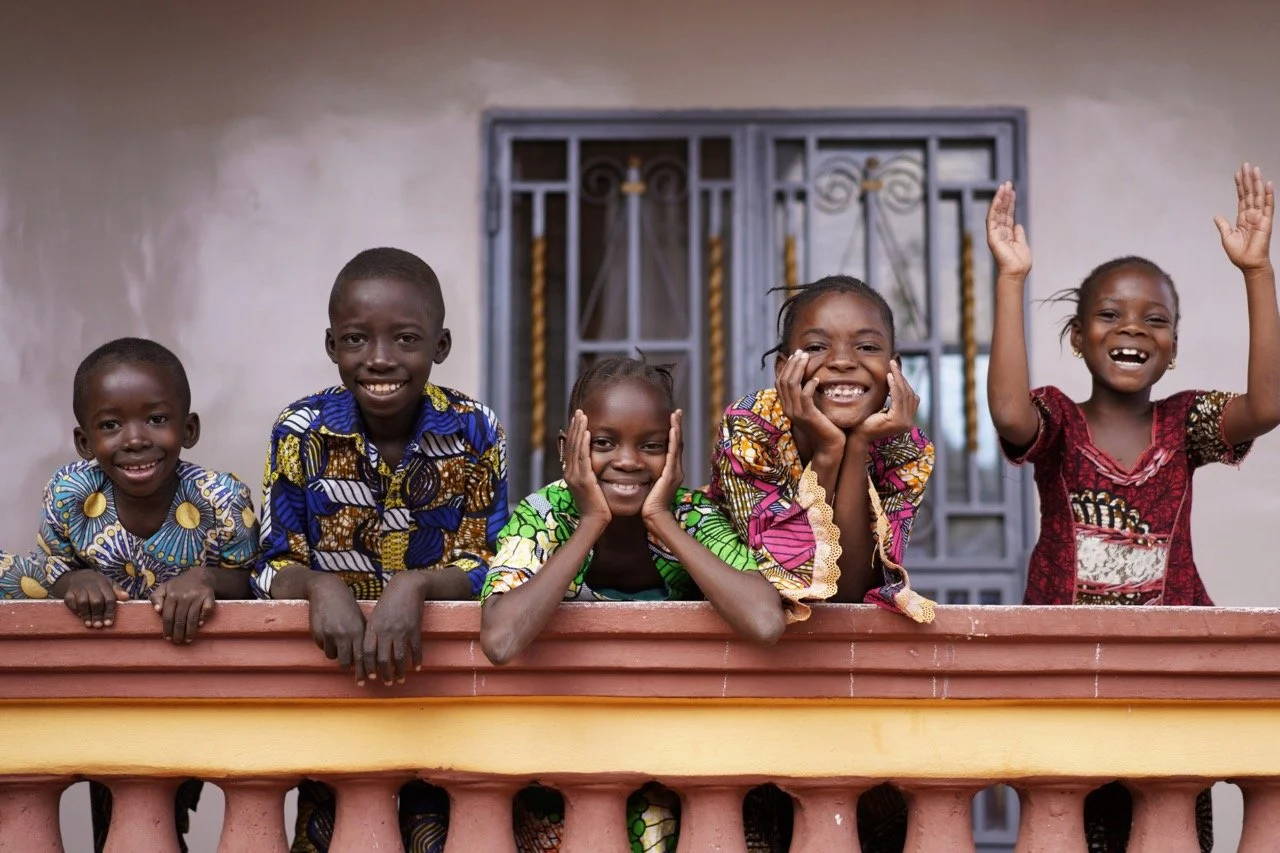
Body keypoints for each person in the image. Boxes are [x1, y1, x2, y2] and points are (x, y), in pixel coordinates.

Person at [985, 164, 1280, 851]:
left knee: (1168, 825)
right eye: (1110, 314)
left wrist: (1257, 272)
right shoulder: (1056, 420)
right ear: (1080, 335)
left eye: (1157, 319)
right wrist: (1010, 280)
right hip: (1063, 675)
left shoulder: (1186, 426)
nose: (1134, 329)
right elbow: (1007, 410)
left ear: (1173, 348)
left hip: (1169, 679)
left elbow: (1266, 405)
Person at [253, 247, 508, 853]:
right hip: (332, 692)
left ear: (440, 345)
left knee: (443, 836)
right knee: (328, 834)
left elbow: (489, 563)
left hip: (441, 695)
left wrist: (414, 586)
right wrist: (321, 585)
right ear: (330, 344)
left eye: (405, 338)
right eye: (356, 339)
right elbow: (270, 565)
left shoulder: (475, 429)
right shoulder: (301, 431)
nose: (380, 359)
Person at [0, 336, 259, 852]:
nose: (135, 439)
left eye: (157, 420)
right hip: (102, 682)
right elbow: (49, 570)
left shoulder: (222, 499)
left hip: (195, 685)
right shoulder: (70, 493)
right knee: (117, 812)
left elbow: (254, 581)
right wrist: (71, 582)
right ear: (83, 441)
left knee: (166, 809)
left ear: (189, 430)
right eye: (110, 425)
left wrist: (206, 579)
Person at [706, 275, 936, 851]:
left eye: (866, 346)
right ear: (784, 364)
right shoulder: (750, 430)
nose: (842, 363)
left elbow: (852, 587)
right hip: (752, 682)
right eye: (816, 346)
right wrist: (828, 447)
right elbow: (801, 579)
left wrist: (853, 447)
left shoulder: (905, 444)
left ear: (895, 366)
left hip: (857, 691)